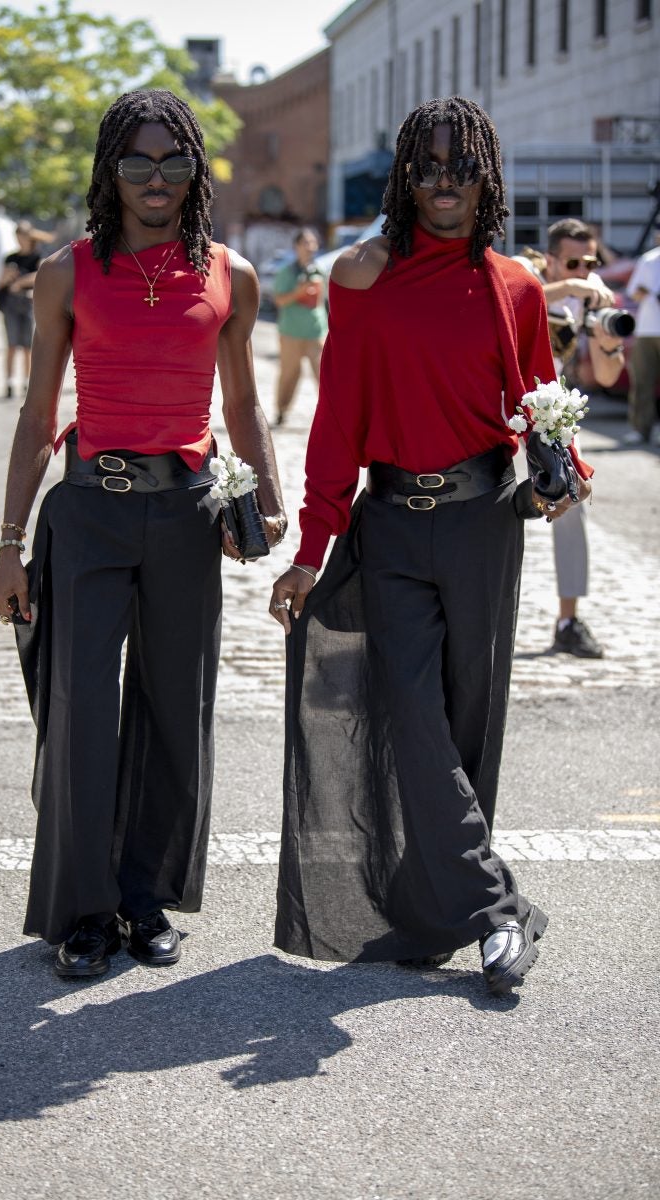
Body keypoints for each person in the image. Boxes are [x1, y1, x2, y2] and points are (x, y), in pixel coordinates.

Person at [268, 96, 592, 996]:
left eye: (460, 167)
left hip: (487, 520)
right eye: (427, 167)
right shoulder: (360, 275)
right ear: (403, 176)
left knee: (464, 721)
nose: (443, 182)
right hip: (395, 526)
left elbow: (541, 401)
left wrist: (565, 473)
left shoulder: (516, 284)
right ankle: (494, 914)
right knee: (410, 715)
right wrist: (312, 544)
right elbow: (338, 417)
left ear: (485, 175)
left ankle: (434, 907)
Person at [0, 88, 286, 979]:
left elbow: (240, 399)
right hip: (87, 511)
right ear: (109, 172)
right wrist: (9, 542)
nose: (156, 179)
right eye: (137, 162)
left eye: (174, 161)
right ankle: (83, 911)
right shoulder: (65, 272)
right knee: (80, 711)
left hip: (188, 515)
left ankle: (144, 897)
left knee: (173, 709)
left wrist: (266, 498)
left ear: (195, 170)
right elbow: (41, 410)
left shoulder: (231, 273)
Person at [512, 218, 625, 659]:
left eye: (590, 261)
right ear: (552, 258)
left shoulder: (588, 295)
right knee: (492, 506)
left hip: (550, 412)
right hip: (504, 406)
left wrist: (606, 338)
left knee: (573, 501)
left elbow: (608, 374)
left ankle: (568, 620)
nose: (582, 270)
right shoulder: (527, 270)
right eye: (573, 262)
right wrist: (577, 288)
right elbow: (521, 294)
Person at [272, 227, 328, 425]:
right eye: (306, 243)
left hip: (317, 333)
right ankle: (281, 411)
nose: (311, 247)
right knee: (289, 375)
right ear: (296, 246)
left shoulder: (321, 271)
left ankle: (332, 416)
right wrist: (299, 291)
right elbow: (279, 301)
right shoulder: (286, 272)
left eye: (313, 243)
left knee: (325, 377)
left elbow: (326, 302)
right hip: (291, 333)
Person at [0, 221, 53, 398]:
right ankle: (9, 382)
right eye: (17, 238)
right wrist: (8, 277)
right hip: (10, 305)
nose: (20, 241)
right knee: (11, 345)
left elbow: (41, 276)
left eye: (22, 237)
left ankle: (27, 382)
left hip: (29, 304)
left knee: (28, 346)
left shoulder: (38, 257)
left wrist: (20, 281)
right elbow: (1, 281)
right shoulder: (10, 258)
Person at [624, 219, 660, 445]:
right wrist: (647, 293)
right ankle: (641, 429)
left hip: (649, 328)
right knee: (642, 382)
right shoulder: (649, 260)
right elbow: (632, 293)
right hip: (647, 329)